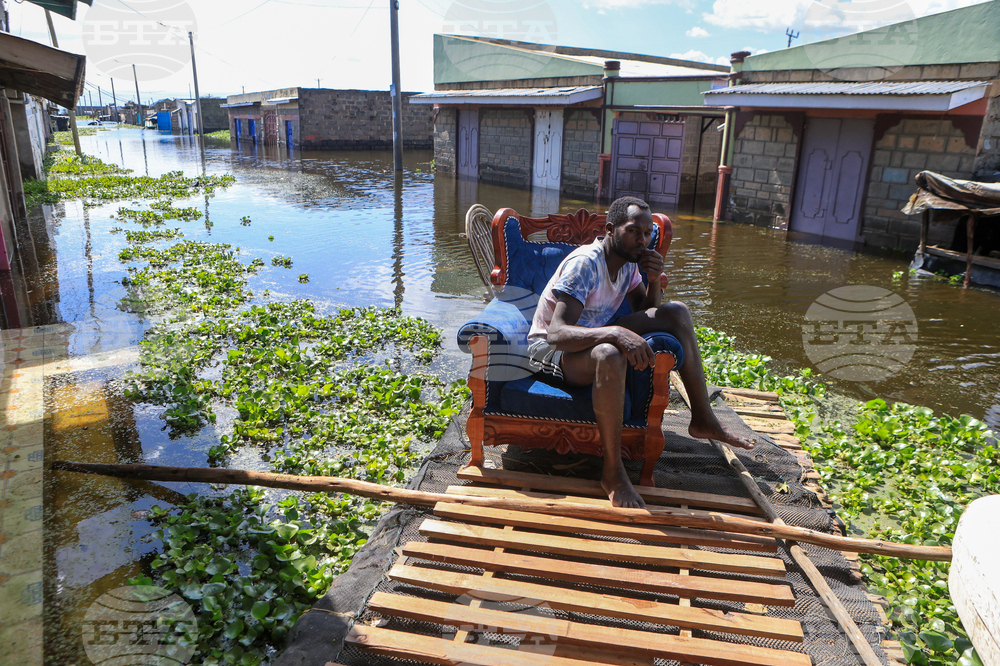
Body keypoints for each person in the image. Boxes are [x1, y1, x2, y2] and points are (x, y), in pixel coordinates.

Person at [527, 196, 754, 509]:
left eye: (648, 234)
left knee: (676, 312)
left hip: (590, 339)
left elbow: (647, 313)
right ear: (611, 229)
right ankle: (613, 473)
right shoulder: (586, 264)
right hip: (552, 352)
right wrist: (616, 333)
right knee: (610, 352)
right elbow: (556, 334)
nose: (643, 240)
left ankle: (703, 417)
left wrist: (651, 282)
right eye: (634, 231)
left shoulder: (628, 265)